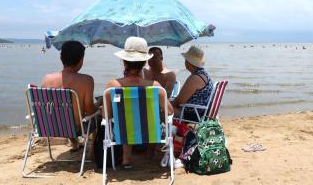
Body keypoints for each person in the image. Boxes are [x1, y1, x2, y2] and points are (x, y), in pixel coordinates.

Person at [104, 37, 173, 169]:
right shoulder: (155, 87)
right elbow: (170, 111)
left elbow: (105, 115)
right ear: (145, 62)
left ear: (124, 61)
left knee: (125, 118)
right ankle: (149, 153)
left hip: (122, 132)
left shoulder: (112, 86)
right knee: (133, 117)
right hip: (150, 133)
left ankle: (126, 159)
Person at [41, 41, 97, 151]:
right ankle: (94, 150)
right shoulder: (86, 80)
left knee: (63, 112)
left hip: (50, 127)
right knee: (98, 116)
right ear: (81, 61)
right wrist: (99, 106)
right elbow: (90, 111)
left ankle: (75, 143)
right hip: (75, 129)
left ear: (61, 58)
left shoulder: (47, 79)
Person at [172, 45, 213, 122]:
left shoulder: (195, 78)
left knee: (161, 109)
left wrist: (168, 106)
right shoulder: (204, 74)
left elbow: (179, 101)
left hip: (193, 114)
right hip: (201, 112)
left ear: (188, 62)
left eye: (185, 60)